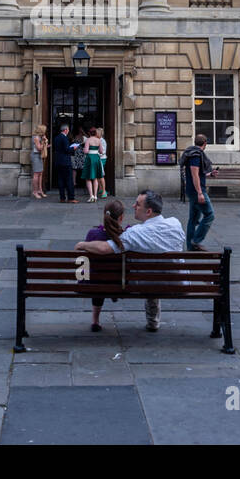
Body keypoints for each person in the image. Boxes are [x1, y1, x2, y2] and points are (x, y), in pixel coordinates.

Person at [75, 190, 184, 332]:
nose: (133, 206)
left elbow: (104, 248)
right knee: (156, 270)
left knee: (150, 273)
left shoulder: (135, 233)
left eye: (138, 204)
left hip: (146, 283)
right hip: (177, 281)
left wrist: (82, 245)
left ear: (149, 211)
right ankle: (153, 321)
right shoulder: (175, 223)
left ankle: (152, 320)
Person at [82, 199, 125, 331]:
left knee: (96, 275)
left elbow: (83, 260)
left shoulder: (93, 234)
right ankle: (113, 292)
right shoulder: (126, 235)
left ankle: (95, 320)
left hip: (95, 282)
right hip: (119, 283)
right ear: (121, 218)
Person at [181, 133, 218, 251]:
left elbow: (199, 174)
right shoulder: (196, 155)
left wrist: (210, 174)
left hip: (193, 190)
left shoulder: (193, 153)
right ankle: (196, 240)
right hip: (196, 191)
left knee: (193, 218)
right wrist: (200, 193)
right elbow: (194, 174)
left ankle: (191, 247)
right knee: (209, 214)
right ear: (205, 143)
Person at [52, 123, 76, 203]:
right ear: (65, 130)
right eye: (68, 129)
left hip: (58, 161)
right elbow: (67, 150)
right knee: (69, 180)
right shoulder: (64, 138)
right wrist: (73, 148)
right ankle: (71, 198)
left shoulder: (56, 137)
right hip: (65, 162)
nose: (68, 131)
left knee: (60, 180)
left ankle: (62, 198)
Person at [83, 128, 104, 203]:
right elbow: (101, 151)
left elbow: (85, 151)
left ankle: (91, 196)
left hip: (90, 158)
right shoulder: (99, 140)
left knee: (88, 178)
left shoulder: (88, 140)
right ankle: (95, 196)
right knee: (95, 178)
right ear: (95, 133)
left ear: (89, 133)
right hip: (96, 158)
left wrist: (84, 150)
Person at [30, 125, 47, 199]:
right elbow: (39, 148)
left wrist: (46, 144)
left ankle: (40, 190)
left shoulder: (39, 137)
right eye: (44, 130)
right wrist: (43, 142)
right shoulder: (36, 137)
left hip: (39, 156)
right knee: (36, 174)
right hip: (35, 156)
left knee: (40, 173)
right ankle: (35, 191)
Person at [96, 129, 109, 199]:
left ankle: (104, 192)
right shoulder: (98, 140)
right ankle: (100, 189)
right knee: (98, 174)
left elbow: (103, 152)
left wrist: (95, 153)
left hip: (102, 159)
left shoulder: (102, 141)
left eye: (96, 133)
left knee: (101, 175)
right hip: (98, 158)